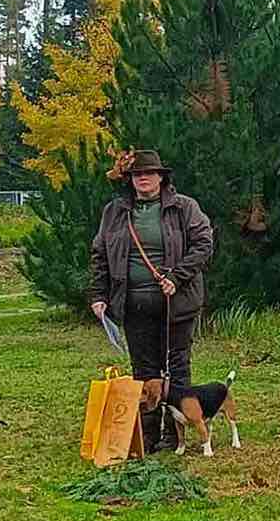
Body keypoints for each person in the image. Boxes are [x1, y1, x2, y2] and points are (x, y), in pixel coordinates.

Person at [90, 148, 215, 453]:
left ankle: (176, 435)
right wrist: (98, 295)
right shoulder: (115, 211)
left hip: (178, 304)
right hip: (133, 305)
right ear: (130, 179)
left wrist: (177, 276)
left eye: (149, 173)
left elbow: (204, 244)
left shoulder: (184, 207)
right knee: (143, 371)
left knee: (176, 369)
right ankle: (147, 436)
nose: (143, 178)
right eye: (136, 174)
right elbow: (99, 254)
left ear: (161, 177)